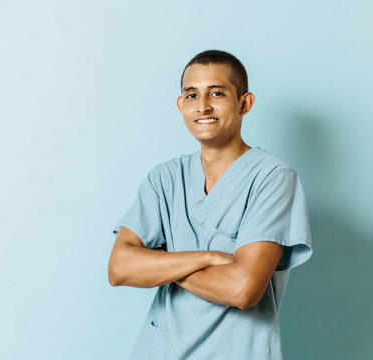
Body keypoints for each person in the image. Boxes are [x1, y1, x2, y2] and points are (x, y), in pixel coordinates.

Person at [108, 49, 313, 360]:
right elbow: (119, 268)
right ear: (180, 105)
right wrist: (208, 257)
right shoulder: (165, 178)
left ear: (244, 103)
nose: (202, 106)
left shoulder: (273, 179)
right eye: (191, 95)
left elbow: (242, 290)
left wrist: (160, 263)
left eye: (216, 93)